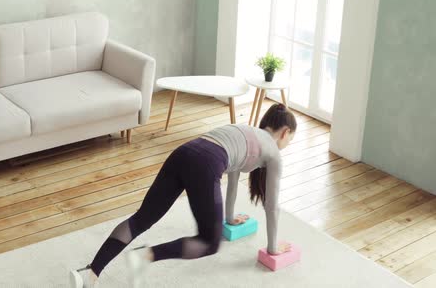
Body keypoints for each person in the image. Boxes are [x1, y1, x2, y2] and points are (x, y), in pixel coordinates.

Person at [70, 103, 297, 287]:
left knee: (142, 219)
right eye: (290, 140)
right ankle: (144, 256)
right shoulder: (274, 154)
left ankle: (90, 274)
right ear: (285, 133)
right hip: (205, 164)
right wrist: (273, 248)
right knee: (209, 242)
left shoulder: (244, 129)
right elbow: (272, 206)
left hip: (184, 152)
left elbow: (233, 180)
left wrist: (229, 219)